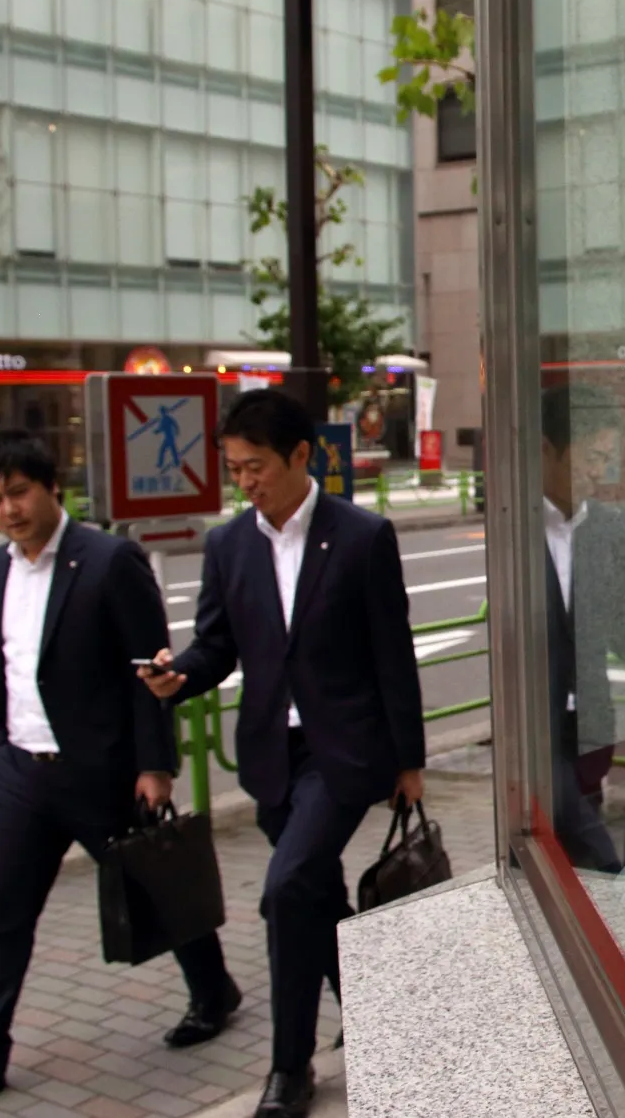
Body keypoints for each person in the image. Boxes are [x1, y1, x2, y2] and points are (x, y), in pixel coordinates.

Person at [0, 431, 240, 1118]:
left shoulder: (109, 560)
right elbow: (0, 662)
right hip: (20, 775)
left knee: (155, 890)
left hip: (102, 772)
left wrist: (156, 764)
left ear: (51, 487)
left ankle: (213, 991)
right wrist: (2, 740)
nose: (8, 509)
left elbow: (148, 670)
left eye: (19, 492)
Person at [142, 388, 423, 1118]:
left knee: (285, 888)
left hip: (344, 752)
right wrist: (181, 675)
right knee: (315, 898)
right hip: (271, 754)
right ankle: (384, 1019)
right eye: (235, 470)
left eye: (256, 466)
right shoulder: (229, 545)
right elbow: (216, 644)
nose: (246, 482)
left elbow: (393, 655)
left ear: (303, 456)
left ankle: (289, 1070)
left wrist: (409, 761)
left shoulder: (361, 536)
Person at [539, 385, 625, 870]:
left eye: (608, 458)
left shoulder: (608, 527)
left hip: (589, 730)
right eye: (592, 456)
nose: (599, 471)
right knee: (593, 857)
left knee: (577, 872)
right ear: (546, 450)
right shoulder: (513, 528)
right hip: (534, 735)